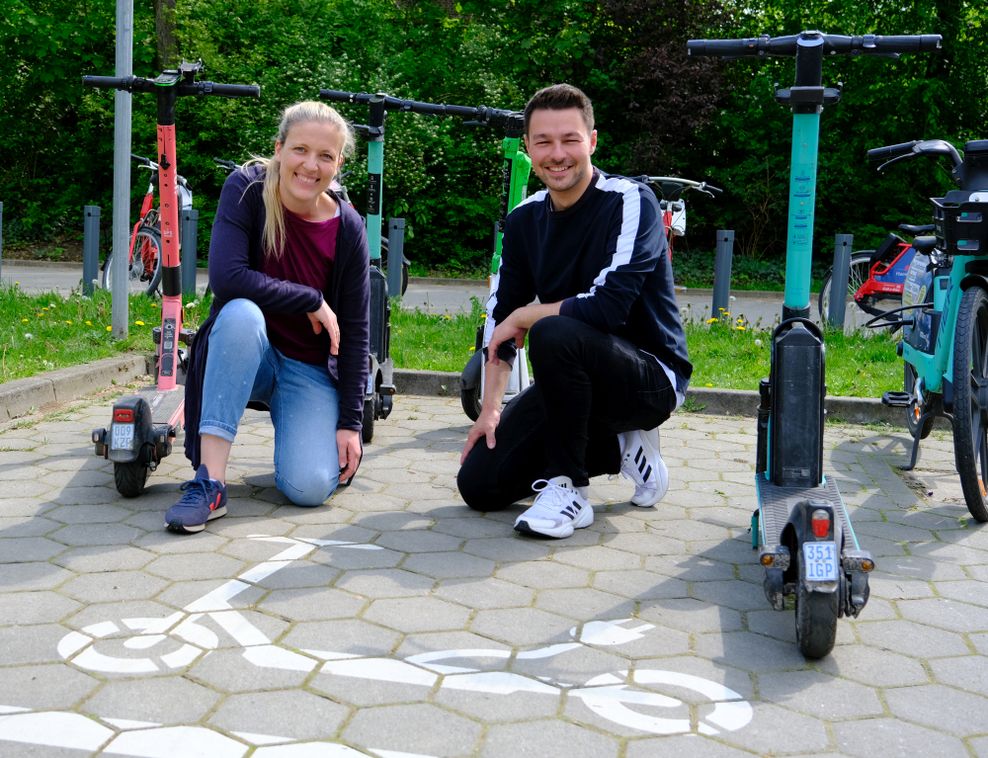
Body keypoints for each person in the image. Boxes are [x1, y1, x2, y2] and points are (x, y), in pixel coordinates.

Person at [457, 83, 692, 539]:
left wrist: (528, 317)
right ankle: (618, 447)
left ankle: (569, 490)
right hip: (571, 380)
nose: (557, 153)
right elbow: (499, 317)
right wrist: (489, 410)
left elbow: (606, 308)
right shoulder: (525, 220)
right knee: (480, 486)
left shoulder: (630, 200)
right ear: (527, 147)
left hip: (647, 378)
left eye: (570, 140)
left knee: (552, 331)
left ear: (593, 141)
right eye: (543, 142)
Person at [166, 100, 370, 534]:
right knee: (240, 315)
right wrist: (310, 299)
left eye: (326, 156)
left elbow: (355, 330)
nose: (310, 165)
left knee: (310, 488)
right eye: (300, 149)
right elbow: (227, 277)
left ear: (339, 165)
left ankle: (303, 442)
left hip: (306, 369)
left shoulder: (348, 227)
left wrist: (350, 423)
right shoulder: (245, 189)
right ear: (279, 148)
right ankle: (211, 482)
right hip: (246, 351)